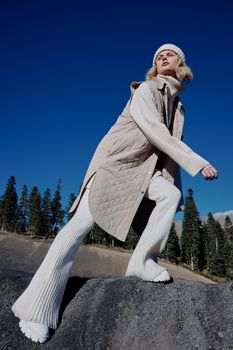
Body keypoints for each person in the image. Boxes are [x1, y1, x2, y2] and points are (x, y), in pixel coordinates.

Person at [11, 43, 218, 343]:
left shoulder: (178, 107)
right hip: (115, 166)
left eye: (169, 54)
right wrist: (198, 163)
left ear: (182, 65)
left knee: (169, 196)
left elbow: (167, 155)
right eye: (158, 55)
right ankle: (35, 308)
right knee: (79, 227)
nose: (162, 56)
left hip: (143, 173)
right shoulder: (145, 90)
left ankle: (141, 261)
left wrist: (176, 184)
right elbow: (155, 132)